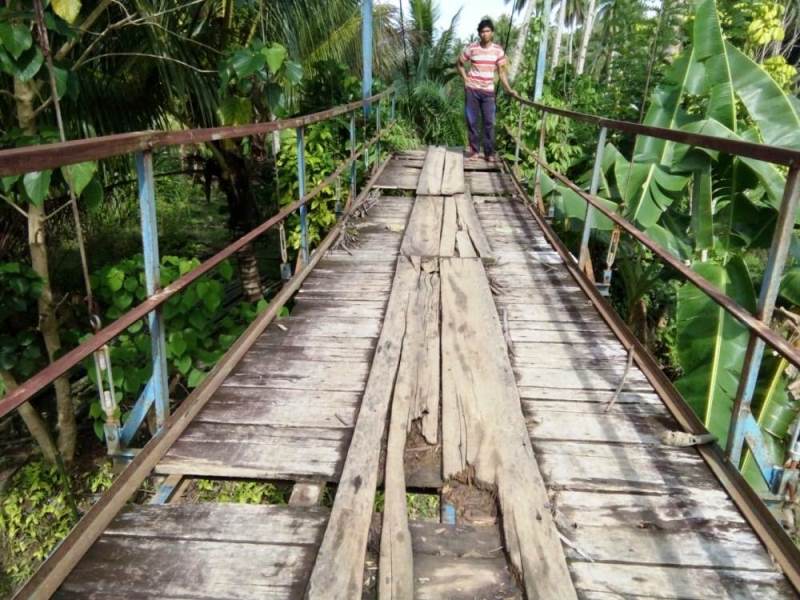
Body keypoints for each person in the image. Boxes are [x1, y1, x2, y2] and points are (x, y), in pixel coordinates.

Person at [456, 18, 519, 162]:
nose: (485, 34)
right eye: (482, 31)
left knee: (489, 122)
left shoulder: (498, 51)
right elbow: (459, 63)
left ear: (492, 33)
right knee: (472, 121)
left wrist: (509, 90)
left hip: (488, 92)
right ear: (479, 33)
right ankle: (474, 150)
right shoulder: (472, 48)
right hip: (472, 90)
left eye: (488, 31)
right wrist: (465, 79)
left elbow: (502, 73)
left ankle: (489, 153)